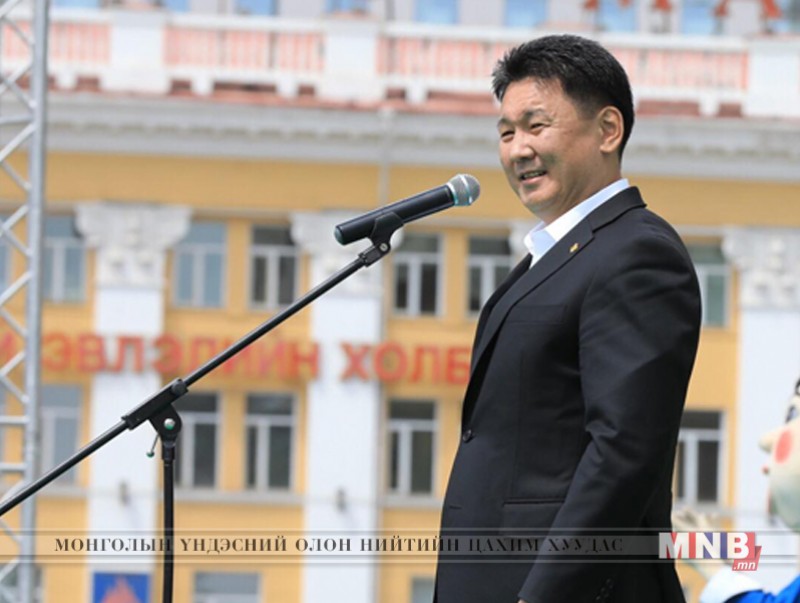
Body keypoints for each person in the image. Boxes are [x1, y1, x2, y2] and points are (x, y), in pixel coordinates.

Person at [434, 34, 702, 603]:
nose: (518, 150)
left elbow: (622, 453)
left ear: (608, 130)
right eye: (506, 133)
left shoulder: (636, 253)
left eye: (537, 126)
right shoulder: (552, 259)